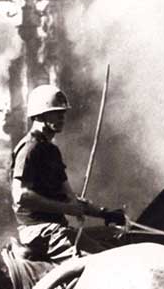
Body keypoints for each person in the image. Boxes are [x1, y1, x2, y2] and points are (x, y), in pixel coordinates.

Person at [11, 84, 126, 262]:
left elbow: (71, 199)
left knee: (116, 238)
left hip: (57, 228)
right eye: (57, 112)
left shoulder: (51, 151)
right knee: (103, 265)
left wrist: (106, 214)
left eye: (63, 113)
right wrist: (67, 209)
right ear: (40, 114)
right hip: (39, 231)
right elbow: (21, 195)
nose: (62, 117)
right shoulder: (30, 148)